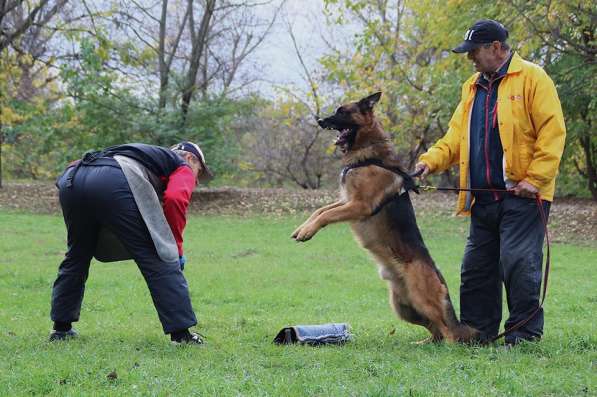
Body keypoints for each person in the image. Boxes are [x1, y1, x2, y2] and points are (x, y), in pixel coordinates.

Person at [414, 20, 566, 346]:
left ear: (496, 48)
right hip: (482, 200)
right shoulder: (472, 87)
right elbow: (456, 137)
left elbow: (552, 133)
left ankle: (523, 335)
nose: (470, 58)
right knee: (475, 270)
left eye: (474, 52)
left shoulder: (533, 78)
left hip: (524, 197)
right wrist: (430, 161)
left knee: (518, 262)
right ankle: (476, 334)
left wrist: (535, 179)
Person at [50, 141, 213, 345]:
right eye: (199, 172)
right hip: (113, 178)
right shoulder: (182, 165)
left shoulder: (142, 156)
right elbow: (175, 199)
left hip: (73, 177)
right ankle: (182, 335)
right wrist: (175, 249)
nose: (196, 181)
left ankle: (61, 329)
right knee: (156, 254)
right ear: (191, 158)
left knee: (77, 255)